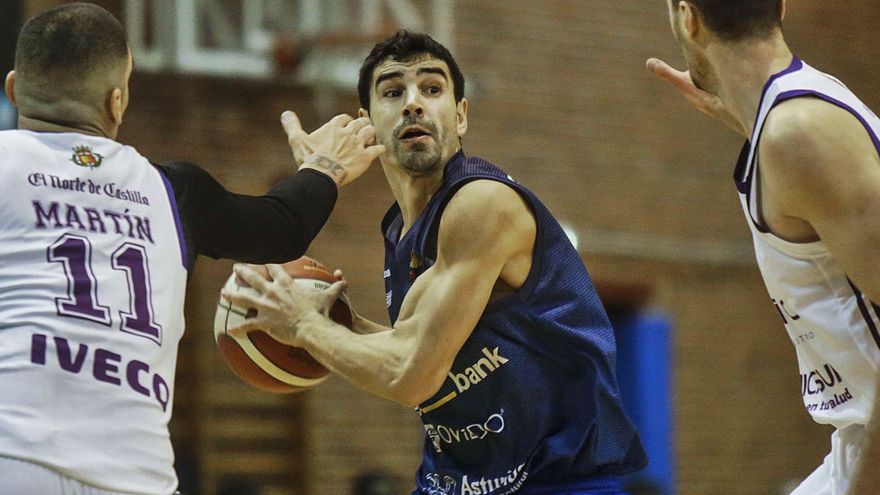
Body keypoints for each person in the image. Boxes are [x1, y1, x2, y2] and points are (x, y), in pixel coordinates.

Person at [224, 30, 647, 494]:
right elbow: (424, 344)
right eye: (392, 92)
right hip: (459, 480)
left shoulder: (480, 204)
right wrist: (337, 322)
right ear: (368, 122)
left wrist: (306, 328)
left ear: (460, 115)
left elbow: (412, 376)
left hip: (553, 480)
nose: (413, 103)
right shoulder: (400, 229)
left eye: (431, 88)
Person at [0, 4, 383, 495]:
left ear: (13, 89)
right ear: (118, 102)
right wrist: (325, 168)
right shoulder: (171, 191)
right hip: (136, 477)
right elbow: (280, 229)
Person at [646, 1, 880, 494]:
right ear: (782, 7)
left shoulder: (800, 134)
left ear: (688, 18)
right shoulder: (793, 118)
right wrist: (743, 121)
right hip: (856, 437)